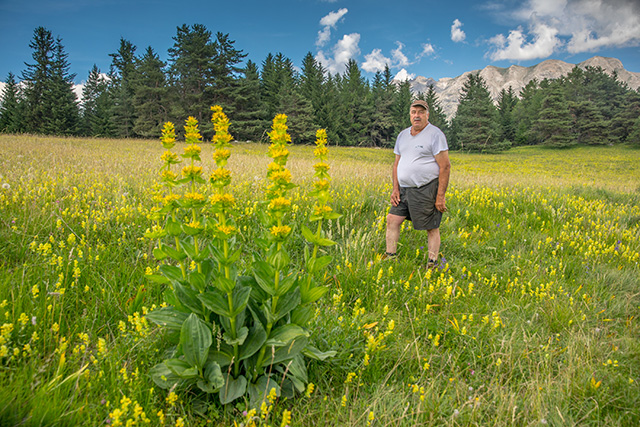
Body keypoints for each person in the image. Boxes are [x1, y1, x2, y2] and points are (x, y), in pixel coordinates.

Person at [385, 99, 451, 269]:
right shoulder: (402, 135)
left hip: (426, 188)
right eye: (414, 112)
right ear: (410, 115)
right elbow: (396, 164)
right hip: (404, 189)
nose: (417, 116)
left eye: (421, 112)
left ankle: (432, 263)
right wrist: (395, 189)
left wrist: (440, 197)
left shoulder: (435, 135)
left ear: (427, 115)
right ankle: (390, 257)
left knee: (431, 226)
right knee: (392, 219)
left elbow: (445, 166)